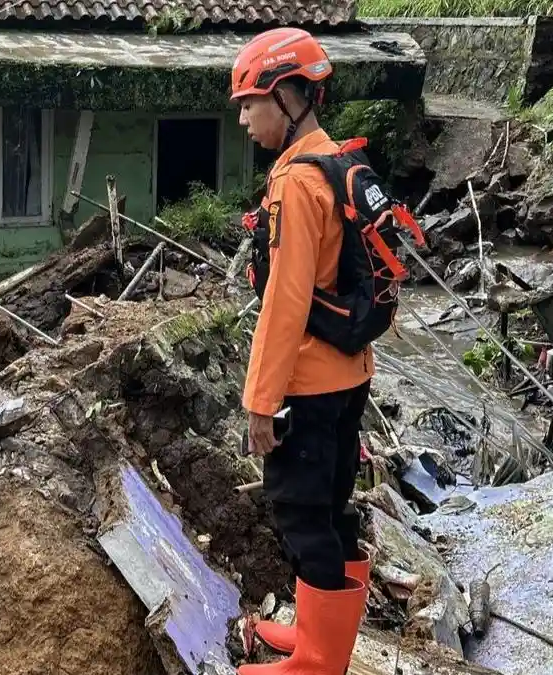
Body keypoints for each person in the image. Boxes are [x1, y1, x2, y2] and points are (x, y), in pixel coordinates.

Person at [231, 27, 373, 675]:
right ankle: (322, 639)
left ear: (288, 96)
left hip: (310, 385)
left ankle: (318, 661)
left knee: (300, 512)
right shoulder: (338, 164)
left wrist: (260, 402)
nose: (243, 118)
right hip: (351, 373)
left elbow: (285, 304)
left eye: (250, 102)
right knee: (333, 503)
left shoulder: (295, 183)